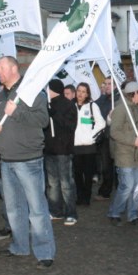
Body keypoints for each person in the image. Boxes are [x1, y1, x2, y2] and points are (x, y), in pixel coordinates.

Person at [0, 56, 54, 269]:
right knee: (14, 209)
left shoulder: (32, 93)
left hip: (29, 160)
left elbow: (43, 120)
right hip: (6, 160)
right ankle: (20, 246)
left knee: (37, 209)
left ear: (14, 69)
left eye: (2, 68)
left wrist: (17, 112)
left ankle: (45, 253)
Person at [106, 81, 138, 226]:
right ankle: (114, 212)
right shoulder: (120, 109)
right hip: (124, 154)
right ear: (134, 94)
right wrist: (133, 140)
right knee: (127, 186)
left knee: (137, 186)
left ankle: (133, 214)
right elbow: (114, 132)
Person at [43, 79, 78, 225]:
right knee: (52, 183)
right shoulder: (46, 104)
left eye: (48, 89)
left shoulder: (68, 105)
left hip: (63, 150)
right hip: (49, 150)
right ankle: (55, 211)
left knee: (65, 183)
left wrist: (54, 115)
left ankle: (71, 213)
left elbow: (70, 126)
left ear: (53, 90)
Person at [73, 82, 106, 206]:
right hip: (75, 146)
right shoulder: (71, 106)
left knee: (88, 174)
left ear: (87, 94)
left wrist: (91, 137)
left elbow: (101, 123)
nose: (80, 94)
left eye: (83, 92)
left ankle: (86, 198)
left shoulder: (92, 106)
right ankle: (79, 196)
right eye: (79, 91)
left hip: (89, 147)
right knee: (77, 174)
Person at [94, 76, 117, 201]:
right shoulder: (104, 99)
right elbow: (96, 110)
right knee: (106, 166)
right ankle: (105, 191)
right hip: (105, 138)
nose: (107, 86)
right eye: (105, 83)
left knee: (116, 166)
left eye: (110, 84)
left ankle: (118, 190)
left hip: (116, 138)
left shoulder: (118, 99)